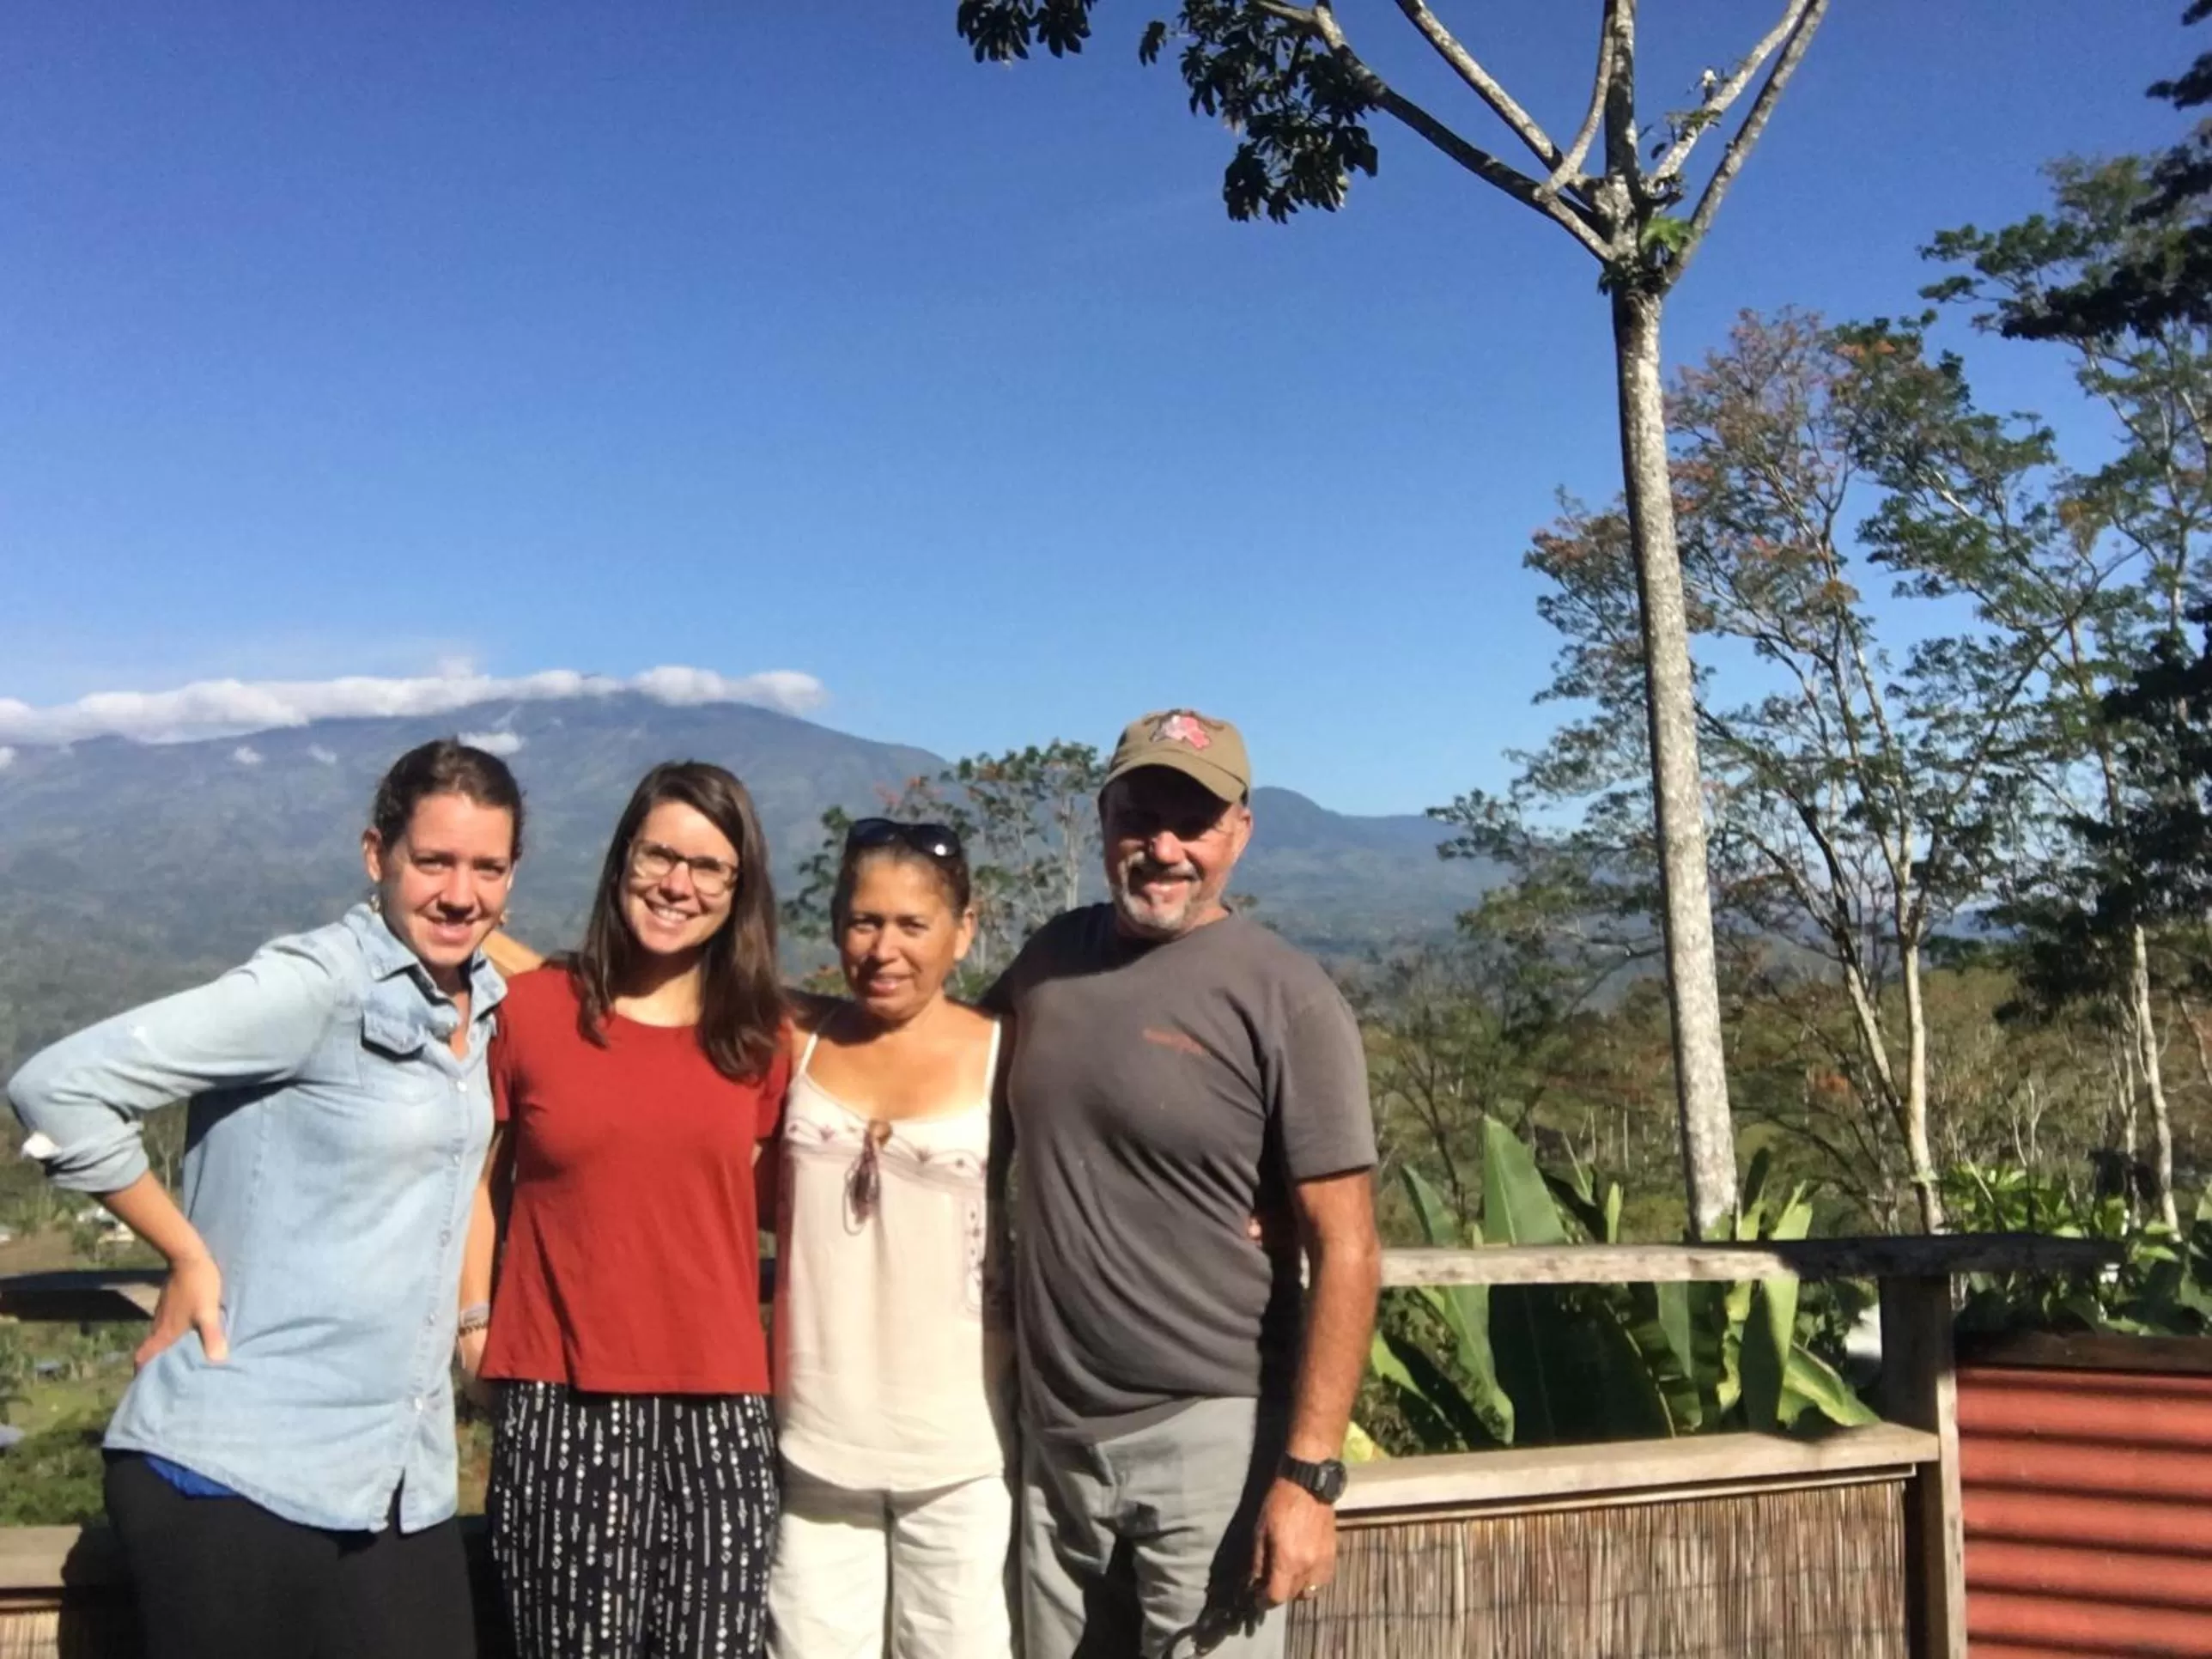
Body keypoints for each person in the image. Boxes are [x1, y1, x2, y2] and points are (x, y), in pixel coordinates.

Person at [5, 738, 525, 1659]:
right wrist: (186, 1251)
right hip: (241, 1464)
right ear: (377, 855)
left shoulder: (479, 1001)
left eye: (487, 867)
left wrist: (473, 1319)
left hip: (394, 1477)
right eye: (434, 861)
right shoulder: (313, 986)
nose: (460, 892)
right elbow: (57, 1088)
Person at [983, 708, 1382, 1659]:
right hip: (1054, 1440)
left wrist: (1308, 1479)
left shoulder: (1285, 997)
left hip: (1212, 1441)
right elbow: (934, 1067)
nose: (1163, 849)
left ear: (1239, 831)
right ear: (1103, 819)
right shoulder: (1049, 962)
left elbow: (1349, 1246)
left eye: (1192, 823)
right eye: (1138, 817)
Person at [463, 760, 789, 1659]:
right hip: (562, 1395)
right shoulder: (533, 1013)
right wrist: (473, 1321)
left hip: (720, 1404)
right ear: (622, 861)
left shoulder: (760, 1040)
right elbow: (477, 1181)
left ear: (739, 889)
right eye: (658, 856)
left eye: (708, 867)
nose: (678, 884)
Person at [767, 818, 1014, 1659]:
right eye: (864, 922)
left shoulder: (1008, 1054)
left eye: (913, 924)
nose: (884, 949)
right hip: (813, 1443)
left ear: (963, 930)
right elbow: (649, 1012)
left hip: (959, 1452)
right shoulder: (798, 1039)